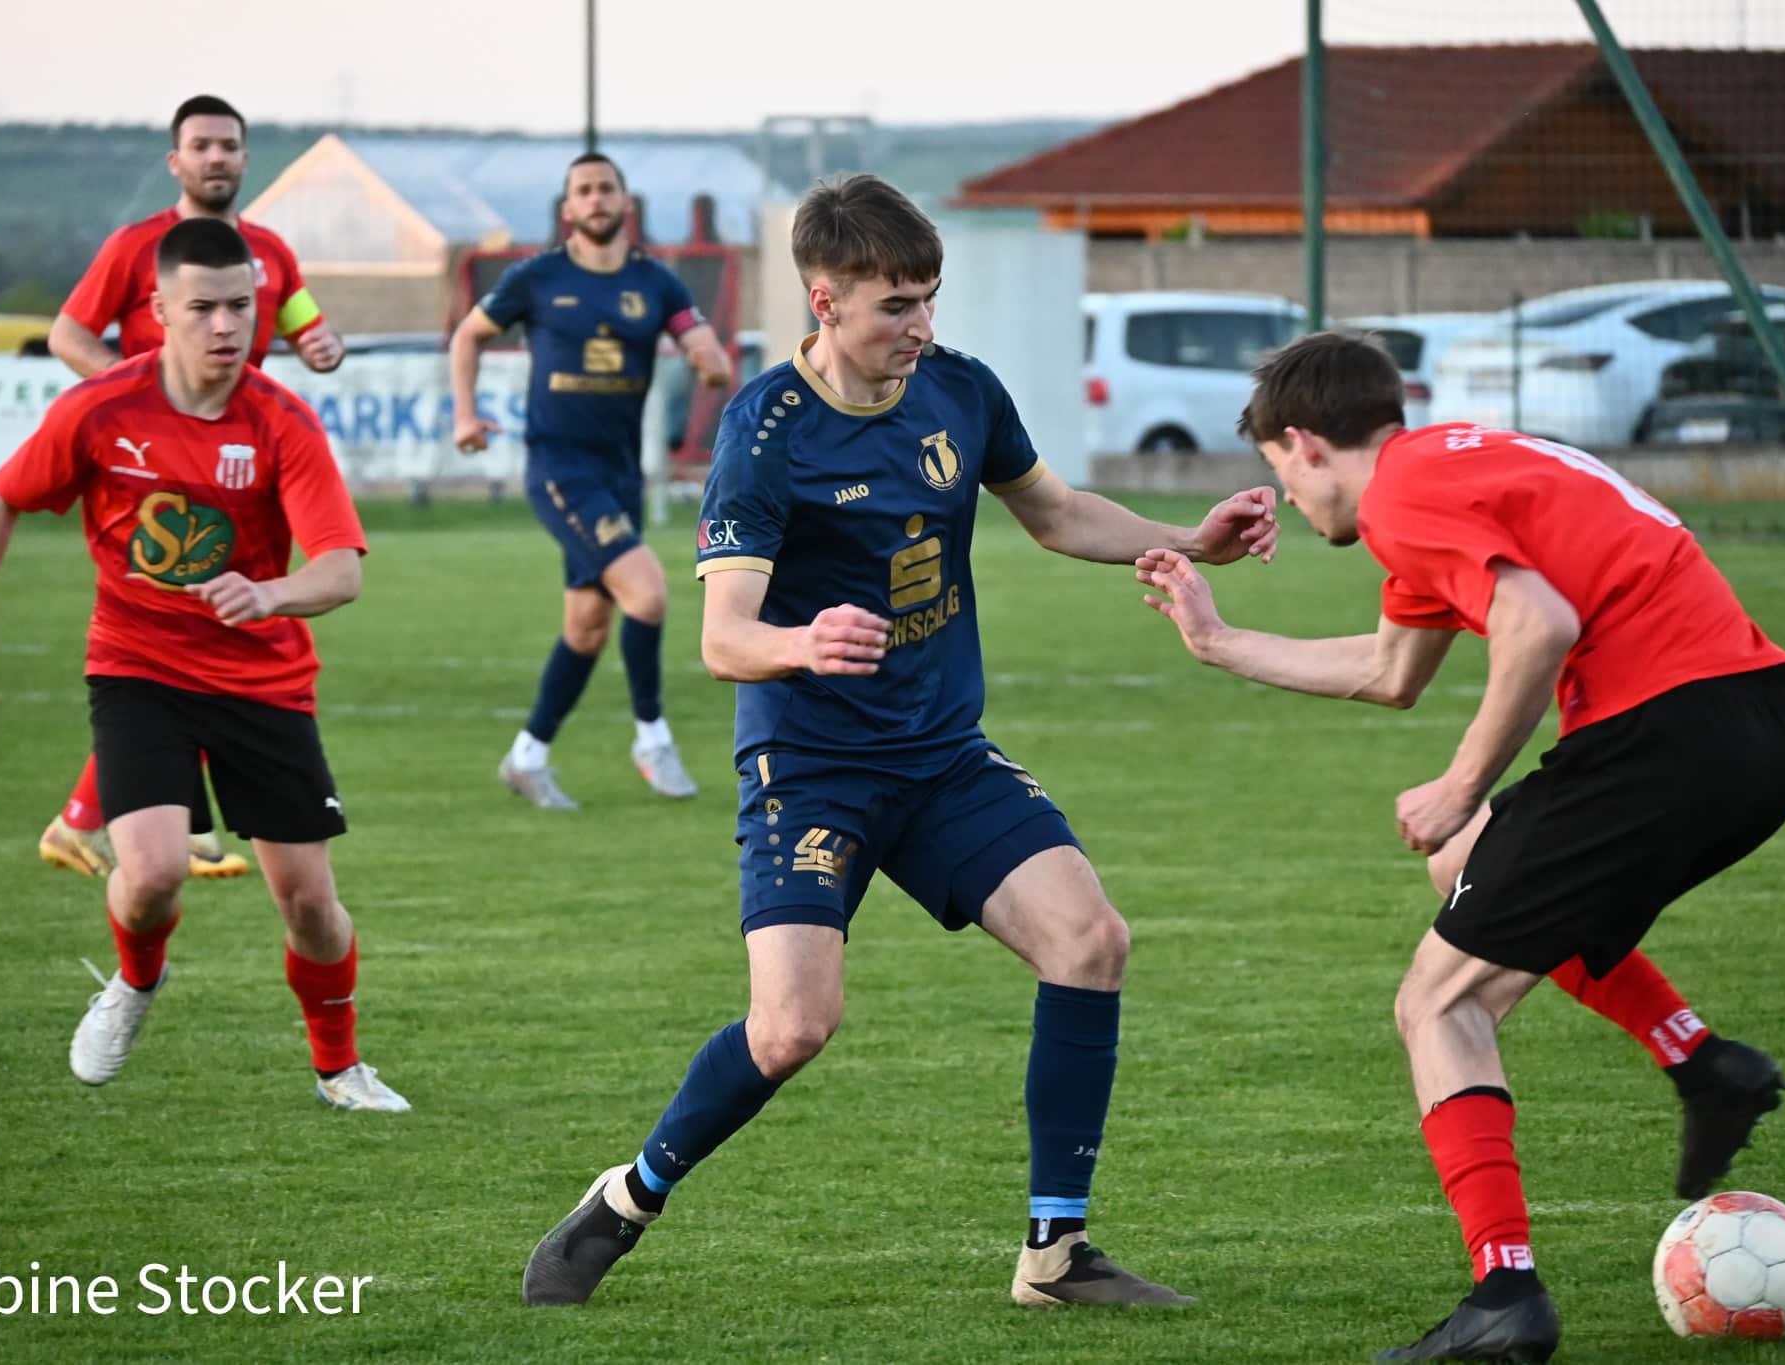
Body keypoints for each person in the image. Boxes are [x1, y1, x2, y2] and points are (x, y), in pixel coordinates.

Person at [520, 173, 1282, 1308]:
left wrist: (1190, 540)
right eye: (895, 306)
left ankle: (1055, 1252)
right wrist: (804, 641)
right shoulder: (766, 431)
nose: (920, 326)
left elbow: (1055, 511)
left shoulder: (959, 391)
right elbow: (725, 639)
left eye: (928, 299)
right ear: (823, 301)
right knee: (792, 1028)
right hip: (812, 768)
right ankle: (627, 1197)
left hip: (938, 755)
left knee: (1089, 940)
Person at [1138, 331, 1785, 1362]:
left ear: (1304, 443)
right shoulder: (1453, 466)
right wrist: (1218, 642)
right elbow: (1390, 669)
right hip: (1755, 729)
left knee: (1437, 1003)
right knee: (1461, 867)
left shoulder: (1404, 495)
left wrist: (1460, 784)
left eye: (1278, 470)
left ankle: (1505, 1294)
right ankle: (1702, 1061)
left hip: (1662, 739)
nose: (1291, 499)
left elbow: (1537, 622)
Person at [0, 217, 408, 1113]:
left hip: (263, 682)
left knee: (308, 902)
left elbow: (341, 568)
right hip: (137, 668)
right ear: (158, 311)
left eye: (241, 307)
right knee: (150, 875)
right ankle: (136, 979)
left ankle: (340, 1067)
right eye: (203, 308)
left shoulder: (282, 420)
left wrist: (269, 593)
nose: (226, 326)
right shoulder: (101, 408)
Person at [39, 93, 347, 882]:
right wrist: (133, 401)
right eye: (201, 146)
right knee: (170, 634)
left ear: (245, 159)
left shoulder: (272, 253)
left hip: (245, 472)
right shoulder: (135, 247)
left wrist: (322, 345)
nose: (217, 158)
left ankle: (108, 820)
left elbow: (308, 328)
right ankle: (131, 824)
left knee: (218, 632)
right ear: (175, 161)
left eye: (229, 146)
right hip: (157, 479)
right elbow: (67, 333)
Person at [450, 151, 732, 811]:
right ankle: (652, 738)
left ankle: (527, 757)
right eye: (584, 190)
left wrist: (709, 359)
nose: (597, 198)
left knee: (586, 628)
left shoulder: (656, 283)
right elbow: (468, 336)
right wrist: (465, 413)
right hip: (560, 468)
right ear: (568, 207)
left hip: (620, 475)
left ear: (624, 202)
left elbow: (699, 340)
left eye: (607, 188)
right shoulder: (538, 277)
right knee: (649, 593)